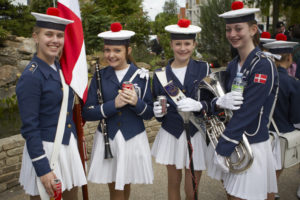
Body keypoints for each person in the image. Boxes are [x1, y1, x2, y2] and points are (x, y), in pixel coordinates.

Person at [207, 1, 279, 200]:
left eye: (238, 28)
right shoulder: (233, 65)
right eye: (228, 29)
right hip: (235, 140)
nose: (232, 34)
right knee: (233, 195)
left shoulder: (263, 65)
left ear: (253, 30)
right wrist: (216, 103)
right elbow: (223, 103)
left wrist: (224, 146)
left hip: (251, 142)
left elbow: (249, 110)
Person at [16, 7, 87, 200]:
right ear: (36, 37)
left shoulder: (62, 68)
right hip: (47, 151)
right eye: (48, 34)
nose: (55, 40)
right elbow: (30, 129)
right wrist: (43, 169)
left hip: (68, 145)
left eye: (59, 35)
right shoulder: (31, 76)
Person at [82, 22, 154, 200]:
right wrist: (112, 105)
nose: (110, 55)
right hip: (109, 138)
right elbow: (87, 112)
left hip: (133, 137)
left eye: (116, 50)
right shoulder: (100, 76)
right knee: (115, 187)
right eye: (107, 50)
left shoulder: (142, 75)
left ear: (127, 50)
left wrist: (137, 103)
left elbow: (149, 113)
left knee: (125, 182)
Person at [151, 18, 210, 200]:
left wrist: (202, 107)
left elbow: (211, 101)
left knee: (192, 187)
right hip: (172, 132)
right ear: (171, 45)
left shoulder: (204, 69)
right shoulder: (160, 75)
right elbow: (157, 104)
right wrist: (158, 113)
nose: (182, 48)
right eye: (178, 43)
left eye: (187, 43)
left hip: (196, 132)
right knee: (173, 183)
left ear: (194, 44)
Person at [263, 33, 300, 200]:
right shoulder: (293, 83)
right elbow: (296, 115)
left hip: (263, 132)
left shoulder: (263, 79)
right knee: (276, 169)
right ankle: (270, 193)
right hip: (281, 134)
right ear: (290, 57)